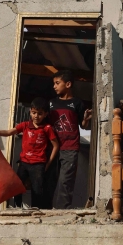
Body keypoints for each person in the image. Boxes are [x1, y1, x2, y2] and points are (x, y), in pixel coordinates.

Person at [0, 97, 59, 208]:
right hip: (24, 163)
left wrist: (48, 163)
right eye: (33, 113)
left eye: (40, 113)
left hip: (38, 164)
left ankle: (35, 210)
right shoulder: (25, 125)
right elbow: (9, 132)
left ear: (45, 114)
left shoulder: (47, 128)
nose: (36, 116)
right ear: (30, 111)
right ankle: (17, 208)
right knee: (17, 186)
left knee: (37, 190)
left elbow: (56, 145)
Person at [48, 70, 92, 209]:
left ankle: (62, 210)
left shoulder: (77, 103)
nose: (54, 86)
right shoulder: (51, 103)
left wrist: (85, 119)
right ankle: (45, 208)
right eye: (53, 83)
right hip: (51, 147)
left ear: (68, 84)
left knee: (65, 181)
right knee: (49, 179)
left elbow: (83, 126)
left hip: (70, 148)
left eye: (57, 83)